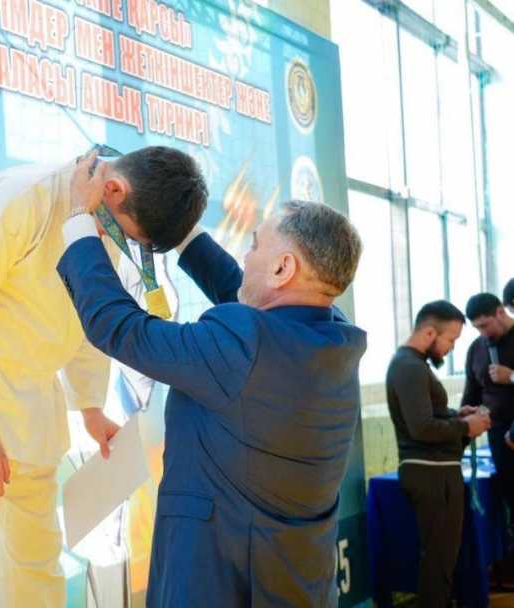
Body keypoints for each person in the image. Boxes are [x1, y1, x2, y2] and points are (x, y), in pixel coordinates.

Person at [58, 154, 367, 606]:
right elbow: (242, 291)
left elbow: (120, 328)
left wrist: (78, 221)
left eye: (255, 246)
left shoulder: (245, 344)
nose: (246, 254)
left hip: (219, 580)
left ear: (283, 268)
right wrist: (178, 227)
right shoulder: (333, 338)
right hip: (295, 580)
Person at [0, 145, 207, 607]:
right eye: (128, 234)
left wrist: (91, 410)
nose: (120, 241)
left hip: (34, 411)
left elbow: (86, 314)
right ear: (113, 189)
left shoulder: (103, 214)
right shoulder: (22, 198)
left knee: (37, 569)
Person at [387, 300, 490, 607]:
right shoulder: (409, 367)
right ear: (430, 333)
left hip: (436, 471)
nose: (451, 348)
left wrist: (457, 416)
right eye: (451, 340)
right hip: (431, 474)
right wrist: (465, 427)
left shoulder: (414, 365)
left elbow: (429, 418)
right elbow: (421, 428)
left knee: (442, 560)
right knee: (439, 561)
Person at [462, 293, 514, 540]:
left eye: (485, 325)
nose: (483, 333)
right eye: (477, 328)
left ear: (501, 312)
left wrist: (511, 376)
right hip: (498, 435)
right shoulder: (477, 348)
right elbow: (471, 394)